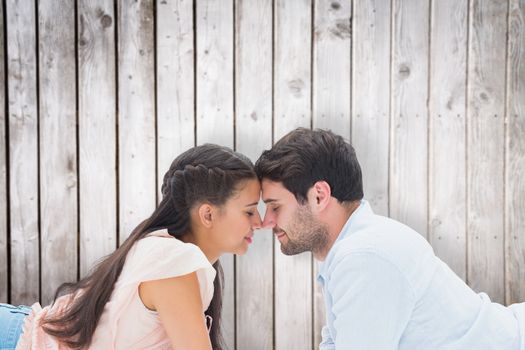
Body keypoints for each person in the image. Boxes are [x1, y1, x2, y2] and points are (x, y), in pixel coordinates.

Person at [255, 127, 525, 350]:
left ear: (319, 196)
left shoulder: (364, 257)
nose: (266, 221)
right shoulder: (353, 248)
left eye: (275, 206)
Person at [0, 144, 262, 350]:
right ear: (208, 215)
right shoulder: (174, 264)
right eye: (249, 212)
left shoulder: (173, 258)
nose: (260, 222)